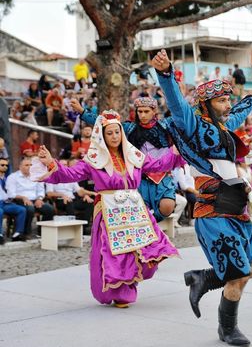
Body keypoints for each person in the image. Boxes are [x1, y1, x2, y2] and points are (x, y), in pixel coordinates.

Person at [152, 49, 252, 346]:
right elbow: (177, 104)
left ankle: (204, 278)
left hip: (236, 209)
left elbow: (237, 116)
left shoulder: (223, 126)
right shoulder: (193, 124)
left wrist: (251, 101)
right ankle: (227, 328)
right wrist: (166, 73)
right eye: (221, 100)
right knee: (238, 274)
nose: (227, 105)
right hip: (214, 213)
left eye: (227, 100)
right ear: (206, 105)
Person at [32, 110, 182, 307]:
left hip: (134, 209)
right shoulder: (94, 160)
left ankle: (129, 287)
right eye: (109, 133)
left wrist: (179, 151)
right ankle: (120, 292)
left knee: (139, 250)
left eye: (117, 132)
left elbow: (159, 164)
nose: (114, 136)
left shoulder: (134, 156)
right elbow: (70, 174)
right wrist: (51, 163)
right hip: (108, 210)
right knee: (115, 253)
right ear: (102, 136)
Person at [72, 96, 182, 224]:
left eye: (146, 111)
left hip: (163, 173)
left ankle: (151, 223)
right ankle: (147, 227)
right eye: (140, 111)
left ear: (154, 111)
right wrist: (82, 111)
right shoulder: (129, 128)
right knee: (141, 209)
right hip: (141, 174)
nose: (143, 115)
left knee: (167, 206)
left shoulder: (165, 125)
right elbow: (103, 121)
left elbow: (183, 118)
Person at [6, 157, 54, 236]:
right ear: (20, 167)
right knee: (30, 209)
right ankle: (26, 233)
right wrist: (23, 197)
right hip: (19, 200)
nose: (29, 167)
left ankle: (43, 232)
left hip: (35, 200)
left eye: (31, 165)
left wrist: (39, 198)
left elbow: (41, 190)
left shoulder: (37, 176)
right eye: (26, 165)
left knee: (49, 209)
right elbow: (11, 194)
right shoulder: (13, 177)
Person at [0, 157, 28, 244]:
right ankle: (0, 235)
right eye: (2, 165)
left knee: (22, 209)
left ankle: (17, 234)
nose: (5, 167)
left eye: (6, 165)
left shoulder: (6, 178)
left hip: (6, 203)